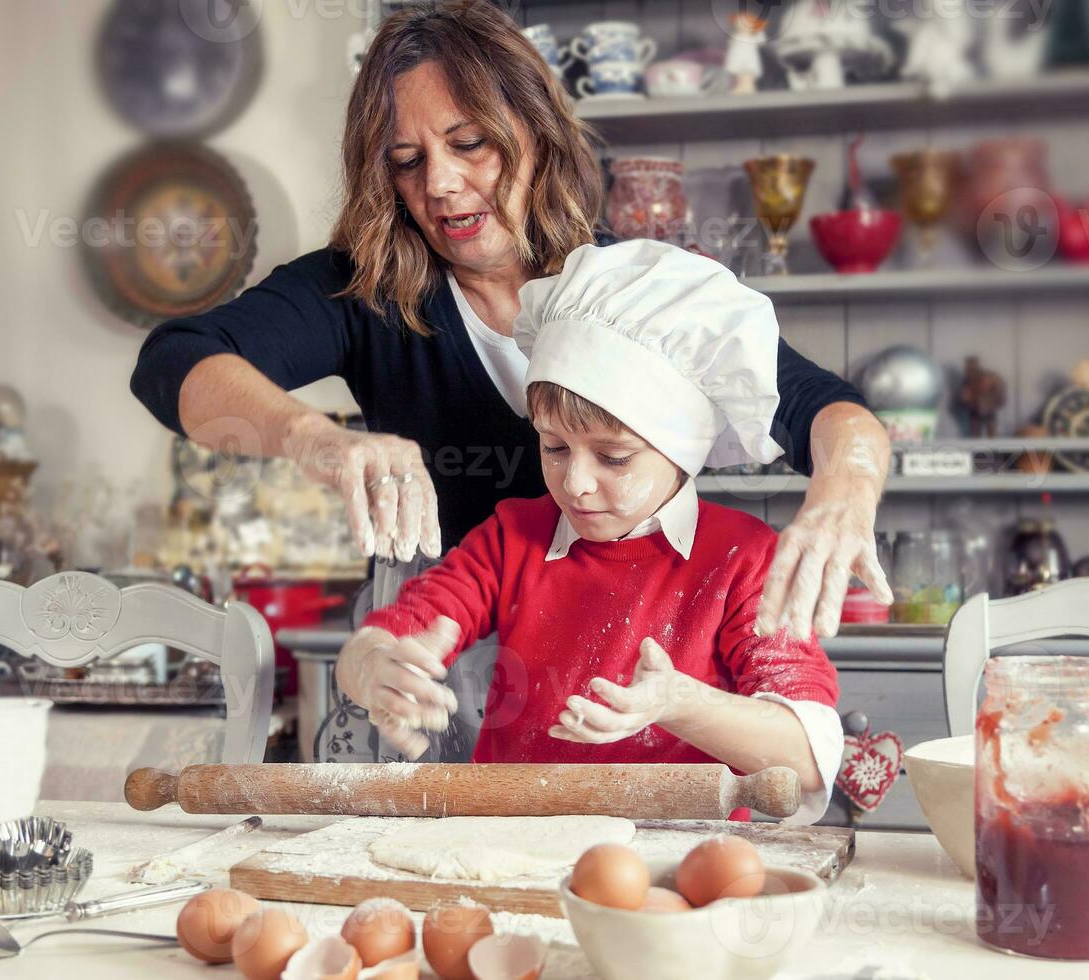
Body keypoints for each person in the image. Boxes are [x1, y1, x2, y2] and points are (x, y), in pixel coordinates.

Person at [129, 0, 892, 648]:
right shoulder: (364, 288)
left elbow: (824, 407)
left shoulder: (641, 292)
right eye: (405, 159)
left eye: (469, 145)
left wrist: (843, 493)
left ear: (534, 131)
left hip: (627, 663)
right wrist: (316, 441)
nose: (441, 184)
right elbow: (174, 361)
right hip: (433, 666)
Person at [334, 241, 842, 822]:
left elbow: (806, 758)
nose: (575, 483)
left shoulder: (744, 557)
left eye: (614, 458)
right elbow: (388, 636)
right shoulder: (513, 537)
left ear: (681, 451)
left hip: (677, 872)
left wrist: (676, 702)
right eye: (553, 447)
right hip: (511, 849)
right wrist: (378, 666)